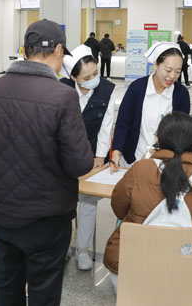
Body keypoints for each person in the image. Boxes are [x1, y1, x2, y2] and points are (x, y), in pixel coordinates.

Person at [0, 19, 94, 305]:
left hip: (1, 211)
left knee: (6, 286)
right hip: (46, 218)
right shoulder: (63, 95)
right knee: (43, 291)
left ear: (25, 49)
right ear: (58, 50)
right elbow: (80, 164)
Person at [103, 112, 192, 292]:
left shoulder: (141, 168)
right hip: (189, 277)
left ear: (158, 139)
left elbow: (118, 207)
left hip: (130, 269)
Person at [59, 45, 116, 271]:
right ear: (74, 78)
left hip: (91, 153)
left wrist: (100, 156)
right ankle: (61, 246)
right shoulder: (61, 88)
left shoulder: (107, 89)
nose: (93, 79)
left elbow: (106, 125)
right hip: (63, 153)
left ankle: (82, 250)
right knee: (62, 201)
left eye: (96, 73)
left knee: (88, 201)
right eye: (87, 77)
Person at [111, 42, 191, 169]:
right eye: (168, 70)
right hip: (133, 157)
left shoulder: (181, 94)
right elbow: (123, 123)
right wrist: (116, 152)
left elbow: (180, 132)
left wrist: (155, 152)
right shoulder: (137, 88)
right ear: (155, 64)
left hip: (165, 161)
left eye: (178, 71)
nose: (172, 76)